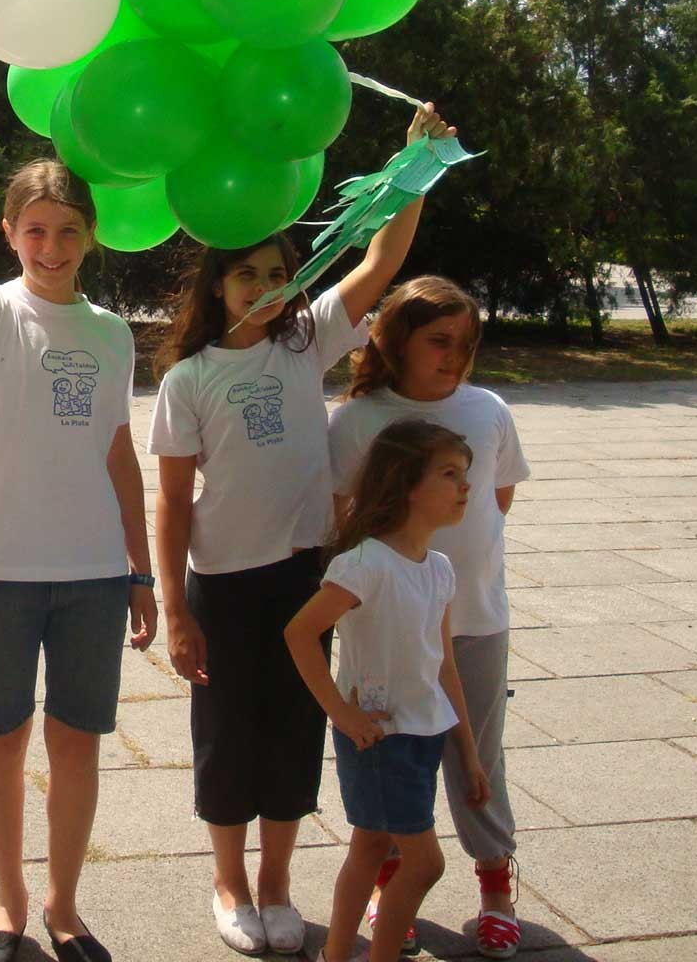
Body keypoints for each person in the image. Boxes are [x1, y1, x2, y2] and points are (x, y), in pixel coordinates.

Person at [149, 104, 454, 956]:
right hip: (226, 583)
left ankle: (278, 885)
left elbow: (384, 255)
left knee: (293, 733)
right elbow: (172, 503)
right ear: (217, 286)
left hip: (306, 581)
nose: (261, 285)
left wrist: (414, 163)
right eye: (243, 274)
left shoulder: (305, 340)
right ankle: (229, 882)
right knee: (227, 739)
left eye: (276, 270)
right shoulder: (190, 380)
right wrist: (175, 606)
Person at [0, 107, 156, 962]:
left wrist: (142, 571)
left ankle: (64, 905)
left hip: (88, 573)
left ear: (90, 238)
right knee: (1, 741)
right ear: (11, 234)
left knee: (76, 745)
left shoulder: (113, 334)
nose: (52, 247)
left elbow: (119, 453)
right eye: (36, 230)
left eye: (68, 231)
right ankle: (7, 907)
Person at [330, 278, 530, 959]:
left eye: (466, 343)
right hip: (383, 636)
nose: (455, 356)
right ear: (396, 341)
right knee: (392, 761)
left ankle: (496, 887)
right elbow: (341, 523)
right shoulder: (357, 420)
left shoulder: (489, 409)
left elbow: (495, 500)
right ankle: (392, 886)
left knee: (479, 757)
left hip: (473, 618)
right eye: (438, 341)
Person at [285, 420, 490, 962]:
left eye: (465, 474)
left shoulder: (439, 569)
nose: (464, 486)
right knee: (425, 864)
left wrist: (469, 754)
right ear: (406, 484)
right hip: (380, 738)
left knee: (371, 847)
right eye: (449, 474)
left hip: (421, 735)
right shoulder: (365, 564)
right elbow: (300, 633)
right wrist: (341, 714)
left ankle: (335, 954)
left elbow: (445, 667)